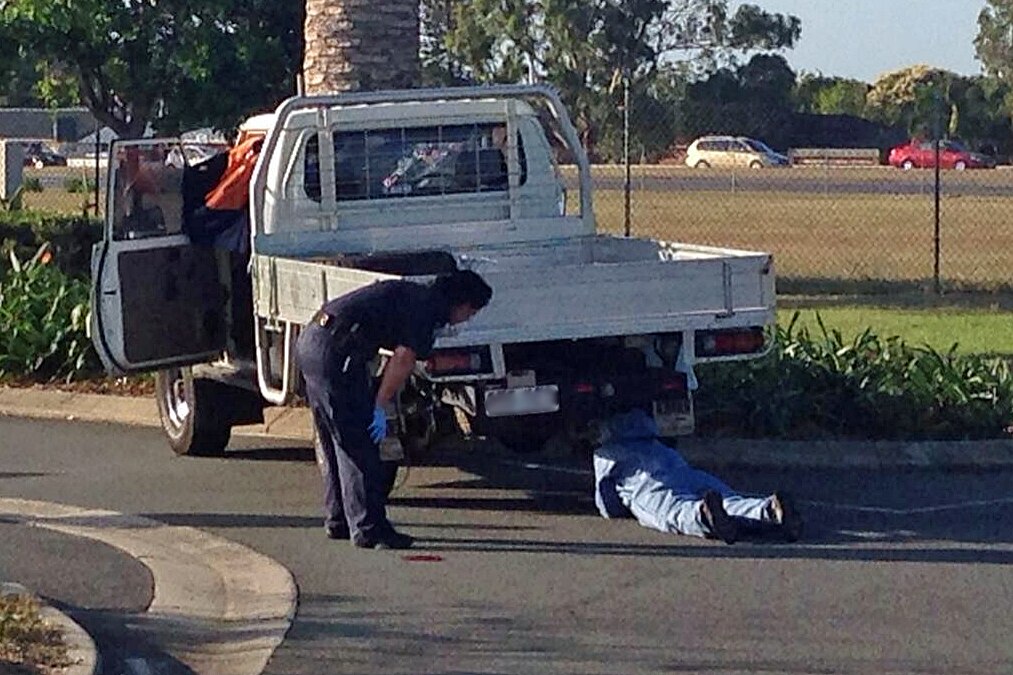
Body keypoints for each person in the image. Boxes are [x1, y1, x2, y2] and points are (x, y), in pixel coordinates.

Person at [296, 270, 493, 550]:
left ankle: (339, 518)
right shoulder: (426, 309)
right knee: (360, 442)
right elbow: (403, 359)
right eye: (470, 313)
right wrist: (379, 403)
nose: (467, 319)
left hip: (313, 340)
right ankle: (369, 528)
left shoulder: (413, 294)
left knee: (334, 437)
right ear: (461, 304)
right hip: (337, 353)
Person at [593, 408, 803, 544]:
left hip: (644, 482)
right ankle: (766, 509)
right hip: (683, 471)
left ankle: (702, 516)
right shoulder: (656, 444)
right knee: (728, 498)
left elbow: (608, 502)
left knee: (672, 509)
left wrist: (619, 506)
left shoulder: (607, 454)